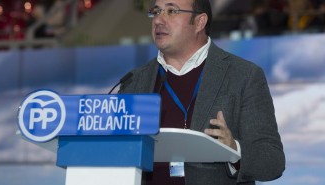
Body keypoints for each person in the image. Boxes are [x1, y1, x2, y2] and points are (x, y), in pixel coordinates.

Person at [119, 0, 285, 184]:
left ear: (199, 22)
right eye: (156, 11)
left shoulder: (244, 76)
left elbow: (273, 161)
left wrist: (233, 150)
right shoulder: (134, 81)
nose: (159, 20)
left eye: (171, 11)